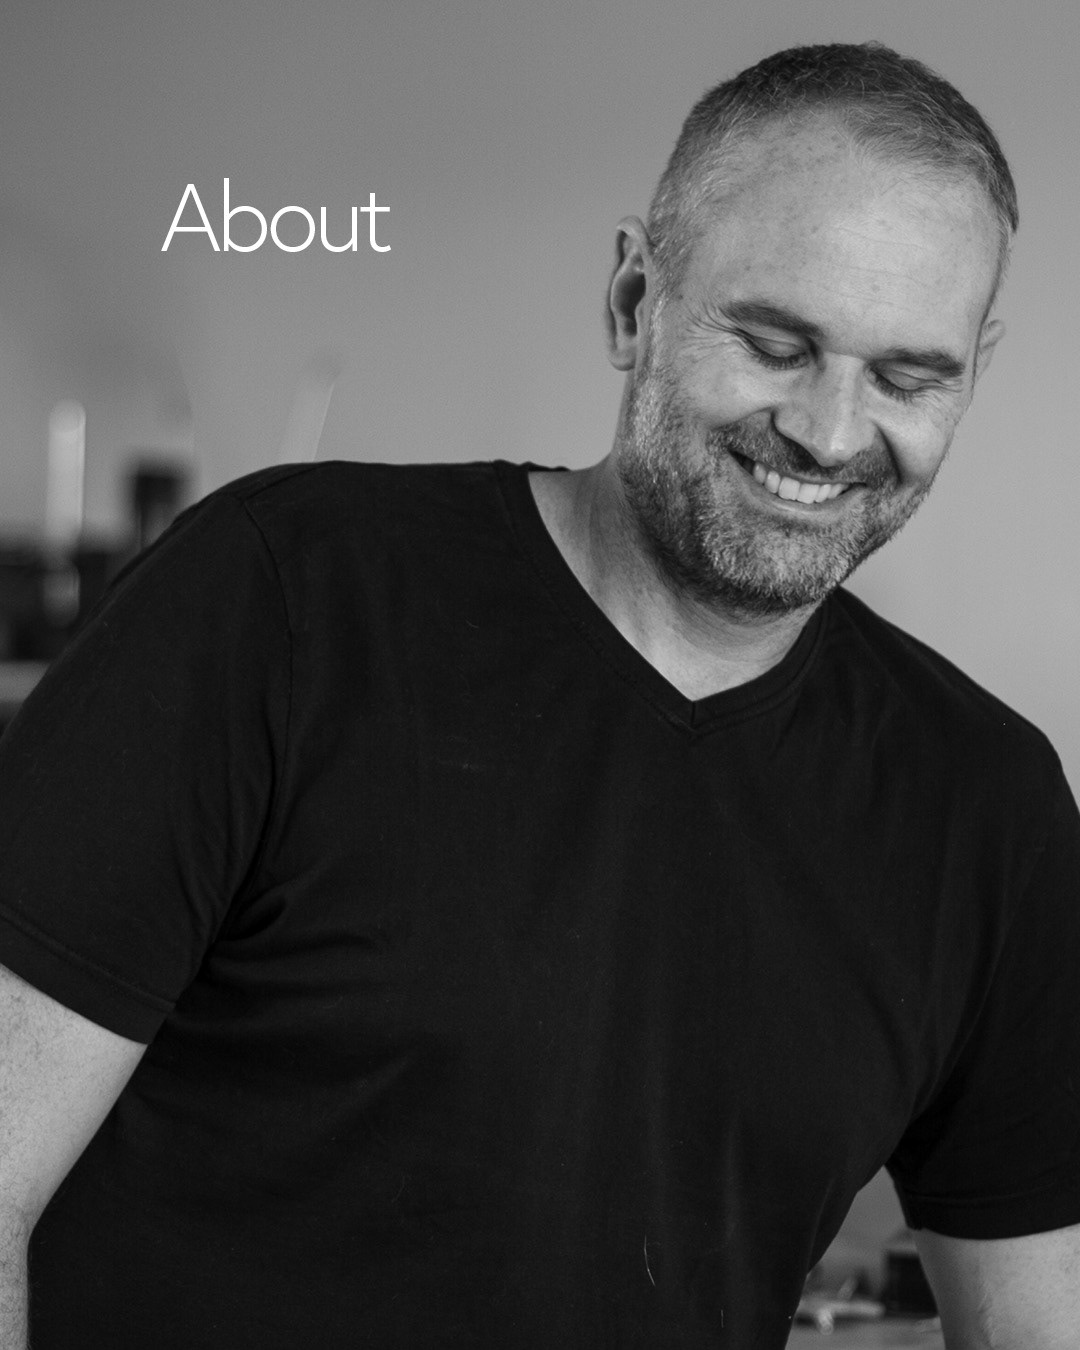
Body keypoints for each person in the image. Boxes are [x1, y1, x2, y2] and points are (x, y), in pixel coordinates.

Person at [0, 41, 1078, 1349]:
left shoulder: (986, 807)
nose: (834, 431)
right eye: (775, 343)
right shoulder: (281, 599)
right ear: (634, 299)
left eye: (909, 377)